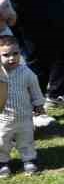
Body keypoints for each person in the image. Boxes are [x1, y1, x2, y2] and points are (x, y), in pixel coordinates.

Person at [0, 34, 45, 175]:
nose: (12, 58)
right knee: (2, 140)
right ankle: (3, 162)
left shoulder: (26, 72)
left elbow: (35, 88)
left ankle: (29, 160)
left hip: (24, 115)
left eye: (15, 53)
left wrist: (38, 104)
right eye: (6, 55)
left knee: (26, 139)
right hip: (3, 117)